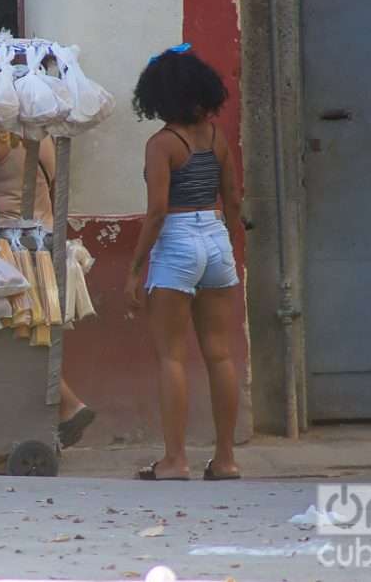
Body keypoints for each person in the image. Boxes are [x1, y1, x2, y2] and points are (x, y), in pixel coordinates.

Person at [125, 43, 241, 481]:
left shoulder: (162, 144)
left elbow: (156, 212)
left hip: (175, 239)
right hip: (214, 236)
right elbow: (232, 197)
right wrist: (227, 244)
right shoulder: (217, 138)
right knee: (220, 354)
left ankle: (174, 460)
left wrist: (135, 270)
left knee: (171, 357)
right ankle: (226, 459)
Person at [0, 136, 96, 449]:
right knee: (30, 330)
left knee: (10, 336)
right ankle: (50, 414)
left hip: (5, 248)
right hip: (43, 246)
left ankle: (67, 405)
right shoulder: (48, 139)